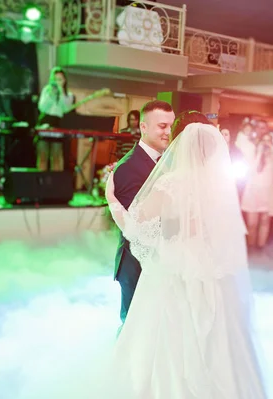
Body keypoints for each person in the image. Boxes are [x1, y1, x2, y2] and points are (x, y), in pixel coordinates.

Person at [105, 122, 266, 398]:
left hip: (174, 262)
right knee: (209, 329)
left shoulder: (170, 183)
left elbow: (138, 224)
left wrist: (112, 199)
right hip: (208, 265)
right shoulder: (219, 186)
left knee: (165, 328)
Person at [110, 100, 175, 324]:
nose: (168, 132)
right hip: (138, 266)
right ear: (143, 127)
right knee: (135, 329)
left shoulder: (167, 162)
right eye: (162, 126)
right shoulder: (129, 167)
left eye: (170, 126)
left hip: (163, 262)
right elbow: (135, 226)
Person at [36, 67, 75, 171]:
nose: (58, 82)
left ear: (64, 80)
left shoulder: (68, 95)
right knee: (43, 155)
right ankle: (41, 180)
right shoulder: (46, 91)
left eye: (60, 79)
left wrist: (61, 91)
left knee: (56, 155)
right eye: (56, 79)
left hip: (58, 123)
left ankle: (56, 181)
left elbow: (65, 109)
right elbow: (42, 107)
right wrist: (51, 94)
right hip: (45, 122)